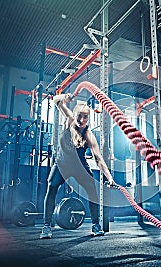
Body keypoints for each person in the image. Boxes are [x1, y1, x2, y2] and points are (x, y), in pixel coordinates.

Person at [40, 93, 116, 239]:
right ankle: (46, 226)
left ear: (88, 118)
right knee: (51, 187)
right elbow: (56, 101)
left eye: (85, 117)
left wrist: (110, 178)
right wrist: (64, 97)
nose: (81, 120)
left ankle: (96, 225)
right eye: (79, 116)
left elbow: (98, 159)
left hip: (80, 166)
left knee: (93, 192)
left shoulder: (88, 134)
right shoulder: (69, 121)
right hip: (62, 164)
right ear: (74, 115)